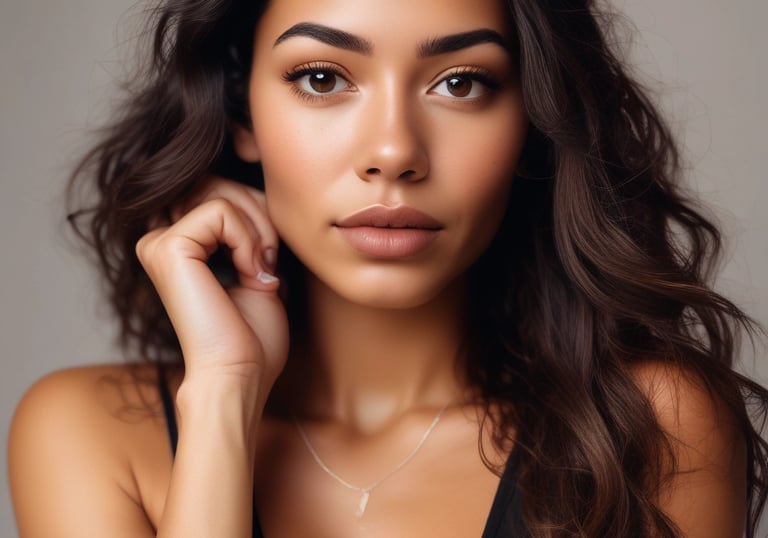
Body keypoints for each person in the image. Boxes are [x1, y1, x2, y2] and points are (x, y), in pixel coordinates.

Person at [8, 0, 768, 536]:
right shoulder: (87, 435)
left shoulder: (648, 426)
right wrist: (222, 398)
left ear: (533, 119)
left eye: (461, 83)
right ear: (242, 115)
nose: (395, 152)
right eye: (322, 78)